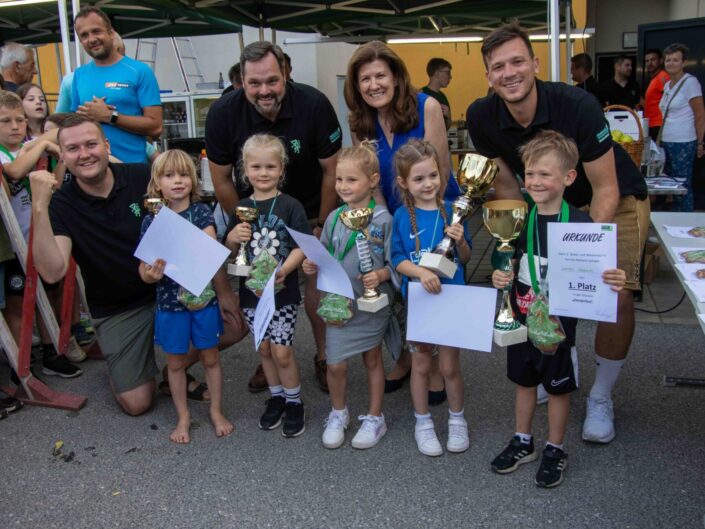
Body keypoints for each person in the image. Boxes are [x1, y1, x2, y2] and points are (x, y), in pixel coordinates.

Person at [466, 22, 649, 444]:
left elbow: (605, 189)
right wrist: (517, 249)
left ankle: (601, 396)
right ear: (489, 76)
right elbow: (509, 188)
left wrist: (584, 256)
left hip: (612, 198)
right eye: (498, 67)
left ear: (534, 63)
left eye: (517, 61)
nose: (509, 73)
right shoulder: (481, 115)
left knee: (612, 295)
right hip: (544, 200)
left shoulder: (578, 104)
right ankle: (560, 357)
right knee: (540, 283)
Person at [29, 114, 244, 415]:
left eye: (91, 144)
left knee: (235, 324)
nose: (85, 153)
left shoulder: (142, 176)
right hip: (120, 308)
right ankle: (141, 368)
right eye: (73, 148)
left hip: (173, 291)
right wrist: (39, 205)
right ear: (62, 155)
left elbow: (195, 241)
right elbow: (52, 271)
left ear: (106, 146)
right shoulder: (62, 203)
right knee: (137, 403)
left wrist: (223, 292)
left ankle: (175, 368)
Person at [489, 130, 626, 488]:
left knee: (558, 388)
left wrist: (612, 277)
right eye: (530, 173)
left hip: (557, 327)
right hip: (520, 319)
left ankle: (555, 447)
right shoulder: (519, 220)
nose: (534, 181)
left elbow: (599, 273)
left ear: (568, 178)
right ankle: (523, 441)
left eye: (544, 174)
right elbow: (504, 259)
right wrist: (499, 275)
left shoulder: (582, 225)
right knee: (523, 382)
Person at [206, 41, 341, 393]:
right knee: (259, 283)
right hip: (254, 213)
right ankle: (267, 358)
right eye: (254, 83)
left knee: (313, 285)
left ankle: (323, 356)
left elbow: (332, 170)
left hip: (309, 209)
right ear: (242, 81)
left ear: (286, 74)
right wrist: (243, 223)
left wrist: (322, 222)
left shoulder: (314, 104)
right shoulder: (223, 113)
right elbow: (220, 178)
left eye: (271, 81)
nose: (264, 90)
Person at [344, 40, 455, 402]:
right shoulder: (360, 121)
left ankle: (436, 364)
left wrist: (414, 222)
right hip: (389, 212)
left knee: (432, 288)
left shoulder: (428, 106)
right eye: (365, 79)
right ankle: (406, 357)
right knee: (396, 290)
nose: (373, 84)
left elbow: (440, 169)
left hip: (431, 209)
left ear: (396, 78)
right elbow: (367, 174)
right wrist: (385, 222)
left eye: (380, 76)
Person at [302, 141, 398, 450]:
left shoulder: (383, 220)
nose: (342, 186)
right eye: (339, 179)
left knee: (372, 358)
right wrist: (311, 264)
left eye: (351, 179)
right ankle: (338, 412)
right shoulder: (333, 218)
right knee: (335, 364)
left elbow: (394, 260)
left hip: (371, 302)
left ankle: (374, 417)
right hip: (339, 304)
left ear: (372, 180)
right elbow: (328, 255)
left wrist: (382, 275)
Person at [138, 150, 234, 443]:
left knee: (211, 358)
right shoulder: (150, 221)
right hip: (169, 304)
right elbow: (143, 268)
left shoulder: (201, 212)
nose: (177, 181)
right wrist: (149, 275)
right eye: (169, 176)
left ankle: (216, 411)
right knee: (176, 363)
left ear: (193, 180)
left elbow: (208, 247)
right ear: (157, 183)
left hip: (203, 301)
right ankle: (183, 417)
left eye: (183, 175)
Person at [224, 134, 309, 438]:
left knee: (282, 351)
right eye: (256, 166)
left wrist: (284, 270)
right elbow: (232, 248)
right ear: (245, 170)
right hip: (251, 293)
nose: (263, 173)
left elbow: (302, 246)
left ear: (281, 170)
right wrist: (233, 239)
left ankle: (295, 402)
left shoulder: (290, 206)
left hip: (282, 292)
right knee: (263, 348)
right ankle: (277, 398)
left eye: (270, 167)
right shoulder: (242, 207)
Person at [391, 139, 472, 457]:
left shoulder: (454, 210)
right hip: (420, 303)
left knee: (450, 367)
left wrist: (461, 239)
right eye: (419, 179)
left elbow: (464, 259)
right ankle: (422, 422)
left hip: (451, 300)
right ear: (404, 183)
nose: (428, 184)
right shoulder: (401, 215)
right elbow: (397, 258)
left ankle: (457, 419)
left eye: (433, 176)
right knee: (422, 365)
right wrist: (420, 272)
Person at [0, 91, 83, 378]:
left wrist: (58, 158)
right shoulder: (8, 153)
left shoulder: (30, 147)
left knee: (47, 294)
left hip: (38, 238)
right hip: (13, 245)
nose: (15, 126)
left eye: (20, 120)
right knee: (17, 302)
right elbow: (14, 171)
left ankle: (51, 351)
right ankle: (18, 362)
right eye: (6, 121)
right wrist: (45, 142)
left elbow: (55, 184)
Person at [70, 7, 162, 163]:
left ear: (111, 33)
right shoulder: (79, 75)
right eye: (84, 35)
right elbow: (72, 126)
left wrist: (110, 116)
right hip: (92, 171)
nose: (91, 39)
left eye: (96, 31)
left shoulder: (139, 71)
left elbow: (156, 128)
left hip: (132, 169)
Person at [659, 43, 705, 212]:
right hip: (667, 141)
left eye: (675, 60)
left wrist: (700, 143)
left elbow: (700, 115)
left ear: (684, 62)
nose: (671, 63)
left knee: (682, 186)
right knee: (670, 187)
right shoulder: (667, 86)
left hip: (684, 142)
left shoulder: (690, 83)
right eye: (668, 60)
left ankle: (685, 223)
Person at [56, 31, 126, 114]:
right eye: (121, 56)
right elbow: (59, 118)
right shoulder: (71, 80)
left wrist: (110, 116)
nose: (123, 61)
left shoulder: (134, 74)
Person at [644, 48, 670, 141]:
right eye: (647, 61)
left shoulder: (663, 76)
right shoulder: (654, 79)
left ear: (661, 61)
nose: (649, 63)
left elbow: (669, 100)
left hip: (659, 124)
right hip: (651, 124)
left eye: (653, 60)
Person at [422, 58, 453, 129]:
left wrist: (448, 116)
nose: (451, 77)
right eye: (448, 73)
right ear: (437, 73)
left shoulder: (443, 96)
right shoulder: (421, 95)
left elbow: (447, 127)